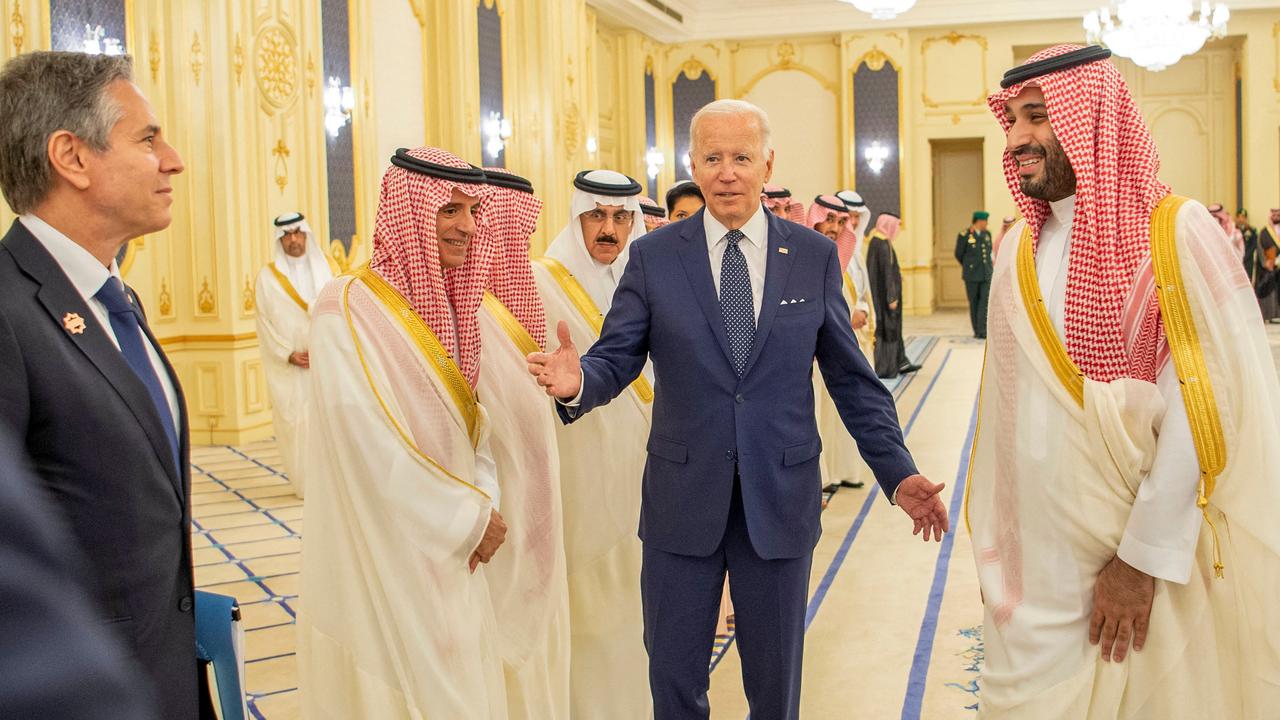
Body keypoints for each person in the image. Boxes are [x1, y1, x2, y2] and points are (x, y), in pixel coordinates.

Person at [527, 99, 948, 720]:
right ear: (693, 164)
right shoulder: (653, 256)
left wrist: (898, 470)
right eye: (713, 158)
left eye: (742, 158)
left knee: (775, 690)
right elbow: (616, 358)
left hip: (779, 502)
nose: (727, 172)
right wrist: (578, 382)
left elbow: (852, 382)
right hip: (680, 504)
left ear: (767, 162)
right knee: (673, 682)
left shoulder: (809, 256)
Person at [968, 44, 1280, 719]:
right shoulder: (1017, 249)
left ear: (1094, 120)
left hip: (1137, 566)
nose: (1017, 137)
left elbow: (1204, 412)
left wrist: (1140, 562)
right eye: (1011, 119)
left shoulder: (1177, 235)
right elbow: (1008, 416)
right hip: (1035, 572)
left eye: (1037, 116)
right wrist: (1002, 552)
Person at [0, 51, 212, 719]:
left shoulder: (111, 299)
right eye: (148, 139)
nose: (173, 159)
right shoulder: (7, 313)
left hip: (162, 674)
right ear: (72, 156)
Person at [297, 147, 509, 719]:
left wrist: (483, 500)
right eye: (449, 210)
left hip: (455, 542)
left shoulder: (455, 307)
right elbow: (366, 444)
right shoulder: (344, 310)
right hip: (386, 538)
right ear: (409, 212)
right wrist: (466, 517)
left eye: (472, 210)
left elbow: (473, 426)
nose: (467, 225)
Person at [531, 169, 653, 720]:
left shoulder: (648, 276)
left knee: (639, 601)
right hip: (580, 470)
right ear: (578, 217)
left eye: (621, 217)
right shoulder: (542, 282)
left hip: (644, 467)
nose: (610, 229)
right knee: (589, 603)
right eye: (597, 216)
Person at [476, 167, 571, 720]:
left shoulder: (509, 309)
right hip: (499, 505)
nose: (520, 242)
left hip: (534, 500)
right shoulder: (471, 314)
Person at [254, 212, 334, 497]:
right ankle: (304, 484)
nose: (293, 239)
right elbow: (264, 323)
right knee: (296, 424)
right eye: (286, 235)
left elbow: (339, 314)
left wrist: (324, 349)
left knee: (328, 422)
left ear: (306, 235)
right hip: (291, 367)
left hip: (324, 363)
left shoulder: (327, 269)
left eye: (297, 233)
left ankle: (329, 484)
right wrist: (288, 354)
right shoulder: (268, 278)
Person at [866, 212, 919, 378]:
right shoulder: (882, 244)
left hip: (878, 296)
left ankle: (900, 361)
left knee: (890, 329)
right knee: (888, 329)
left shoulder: (876, 241)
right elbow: (887, 274)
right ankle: (887, 367)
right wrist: (892, 297)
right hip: (886, 299)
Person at [955, 210, 994, 339]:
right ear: (979, 221)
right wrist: (968, 266)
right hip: (971, 275)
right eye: (985, 221)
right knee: (974, 302)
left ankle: (983, 330)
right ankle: (977, 330)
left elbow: (987, 254)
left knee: (985, 302)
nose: (987, 223)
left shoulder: (987, 234)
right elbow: (959, 254)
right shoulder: (964, 235)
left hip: (986, 274)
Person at [1256, 208, 1279, 321]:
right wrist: (1265, 262)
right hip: (1269, 267)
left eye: (1278, 214)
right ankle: (1269, 315)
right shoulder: (1264, 231)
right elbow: (1260, 248)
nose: (1276, 216)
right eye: (1273, 214)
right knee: (1269, 291)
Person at [1236, 208, 1257, 278]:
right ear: (1236, 218)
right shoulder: (1233, 230)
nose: (1241, 219)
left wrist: (1245, 256)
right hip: (1236, 259)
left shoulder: (1252, 231)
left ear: (1246, 218)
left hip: (1248, 260)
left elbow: (1254, 245)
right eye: (1239, 217)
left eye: (1243, 217)